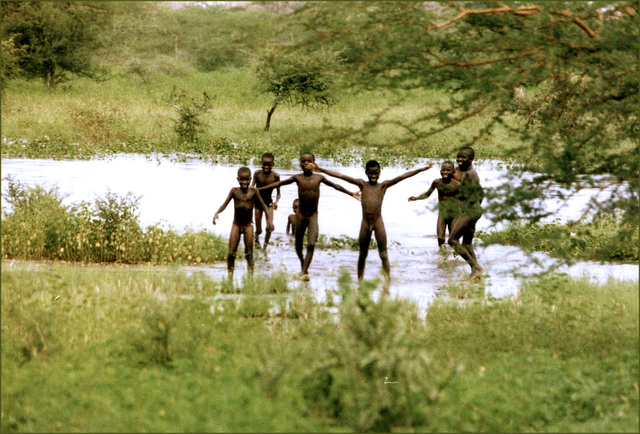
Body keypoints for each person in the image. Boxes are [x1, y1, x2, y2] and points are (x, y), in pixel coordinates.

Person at [313, 159, 434, 281]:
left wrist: (423, 169)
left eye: (376, 173)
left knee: (384, 254)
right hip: (365, 223)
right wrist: (321, 169)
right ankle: (360, 282)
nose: (373, 176)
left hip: (378, 222)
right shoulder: (361, 184)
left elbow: (403, 176)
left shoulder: (383, 186)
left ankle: (387, 282)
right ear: (366, 173)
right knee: (362, 254)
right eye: (371, 173)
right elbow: (341, 176)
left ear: (380, 172)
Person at [259, 152, 360, 280]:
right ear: (300, 164)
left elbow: (336, 186)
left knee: (311, 244)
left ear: (314, 163)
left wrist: (351, 193)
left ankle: (304, 271)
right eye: (303, 161)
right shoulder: (297, 177)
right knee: (298, 246)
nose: (306, 163)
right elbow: (279, 184)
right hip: (300, 215)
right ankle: (303, 265)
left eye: (309, 161)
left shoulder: (319, 178)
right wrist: (259, 190)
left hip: (312, 215)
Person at [212, 166, 274, 280]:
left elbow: (264, 207)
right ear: (238, 179)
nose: (244, 182)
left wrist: (269, 221)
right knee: (231, 253)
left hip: (248, 226)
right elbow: (225, 204)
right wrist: (217, 213)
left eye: (247, 180)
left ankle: (250, 279)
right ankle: (230, 278)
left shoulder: (254, 191)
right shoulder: (234, 191)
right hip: (236, 224)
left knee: (249, 253)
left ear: (250, 179)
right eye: (242, 180)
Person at [448, 146, 484, 279]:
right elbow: (481, 194)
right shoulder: (470, 173)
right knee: (467, 244)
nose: (459, 160)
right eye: (458, 157)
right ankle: (476, 271)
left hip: (470, 211)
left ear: (471, 159)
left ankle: (476, 268)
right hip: (475, 210)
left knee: (452, 240)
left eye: (463, 157)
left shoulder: (470, 175)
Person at [408, 160, 460, 252]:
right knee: (440, 238)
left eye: (448, 170)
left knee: (453, 240)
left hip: (454, 216)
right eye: (443, 170)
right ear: (440, 171)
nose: (445, 172)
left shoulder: (457, 185)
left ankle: (456, 257)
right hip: (442, 215)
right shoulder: (437, 183)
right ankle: (442, 257)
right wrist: (416, 198)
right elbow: (427, 194)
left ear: (453, 172)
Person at [251, 152, 281, 249]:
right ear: (261, 163)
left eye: (269, 165)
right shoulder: (257, 174)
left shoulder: (275, 176)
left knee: (269, 227)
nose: (266, 167)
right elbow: (252, 188)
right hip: (257, 202)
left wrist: (276, 202)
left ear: (273, 164)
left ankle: (265, 246)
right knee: (259, 229)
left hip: (268, 203)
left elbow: (278, 193)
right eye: (264, 164)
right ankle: (256, 241)